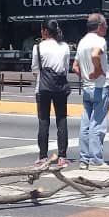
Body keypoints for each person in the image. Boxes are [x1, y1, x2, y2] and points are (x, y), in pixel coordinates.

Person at [30, 19, 72, 169]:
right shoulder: (65, 47)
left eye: (42, 30)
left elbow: (35, 70)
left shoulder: (38, 47)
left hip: (43, 88)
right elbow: (66, 69)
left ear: (45, 31)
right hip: (60, 87)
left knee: (43, 121)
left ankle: (43, 156)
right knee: (61, 120)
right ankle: (62, 155)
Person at [73, 13, 109, 168]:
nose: (107, 27)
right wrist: (97, 70)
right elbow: (95, 54)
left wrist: (86, 75)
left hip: (87, 87)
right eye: (106, 24)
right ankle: (96, 159)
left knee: (85, 123)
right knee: (98, 124)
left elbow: (75, 67)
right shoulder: (99, 41)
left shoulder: (82, 42)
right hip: (100, 87)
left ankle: (84, 158)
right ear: (100, 26)